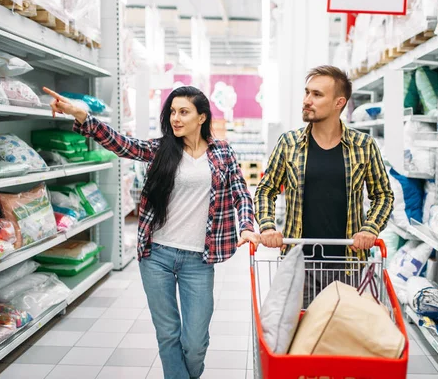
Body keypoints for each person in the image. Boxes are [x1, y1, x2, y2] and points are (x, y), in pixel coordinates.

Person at [43, 85, 260, 379]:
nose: (175, 118)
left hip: (199, 259)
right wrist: (84, 117)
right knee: (168, 333)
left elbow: (241, 194)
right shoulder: (160, 150)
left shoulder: (222, 152)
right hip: (156, 254)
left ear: (202, 117)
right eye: (172, 112)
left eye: (184, 112)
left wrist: (247, 226)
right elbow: (121, 143)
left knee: (195, 342)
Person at [254, 65, 394, 307]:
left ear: (339, 102)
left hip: (347, 263)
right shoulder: (289, 143)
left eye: (317, 95)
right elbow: (266, 190)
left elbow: (383, 195)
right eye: (307, 93)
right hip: (299, 262)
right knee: (301, 337)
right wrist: (267, 227)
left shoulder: (364, 145)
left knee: (339, 334)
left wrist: (370, 229)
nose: (307, 100)